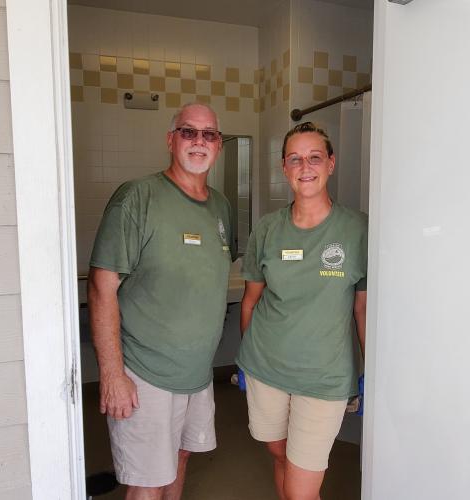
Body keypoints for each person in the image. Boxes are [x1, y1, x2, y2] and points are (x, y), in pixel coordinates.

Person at [88, 102, 236, 500]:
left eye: (209, 134)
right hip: (144, 373)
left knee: (180, 459)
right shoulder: (138, 197)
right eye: (189, 132)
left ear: (219, 145)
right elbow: (102, 287)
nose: (199, 141)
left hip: (196, 374)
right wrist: (113, 375)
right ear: (171, 140)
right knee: (147, 481)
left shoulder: (221, 207)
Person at [236, 122, 367, 500]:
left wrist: (372, 369)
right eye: (295, 159)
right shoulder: (267, 230)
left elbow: (362, 310)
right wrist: (245, 362)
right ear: (284, 168)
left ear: (331, 164)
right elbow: (251, 301)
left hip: (324, 378)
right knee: (279, 455)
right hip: (265, 368)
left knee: (301, 486)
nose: (304, 166)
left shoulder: (358, 229)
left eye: (314, 157)